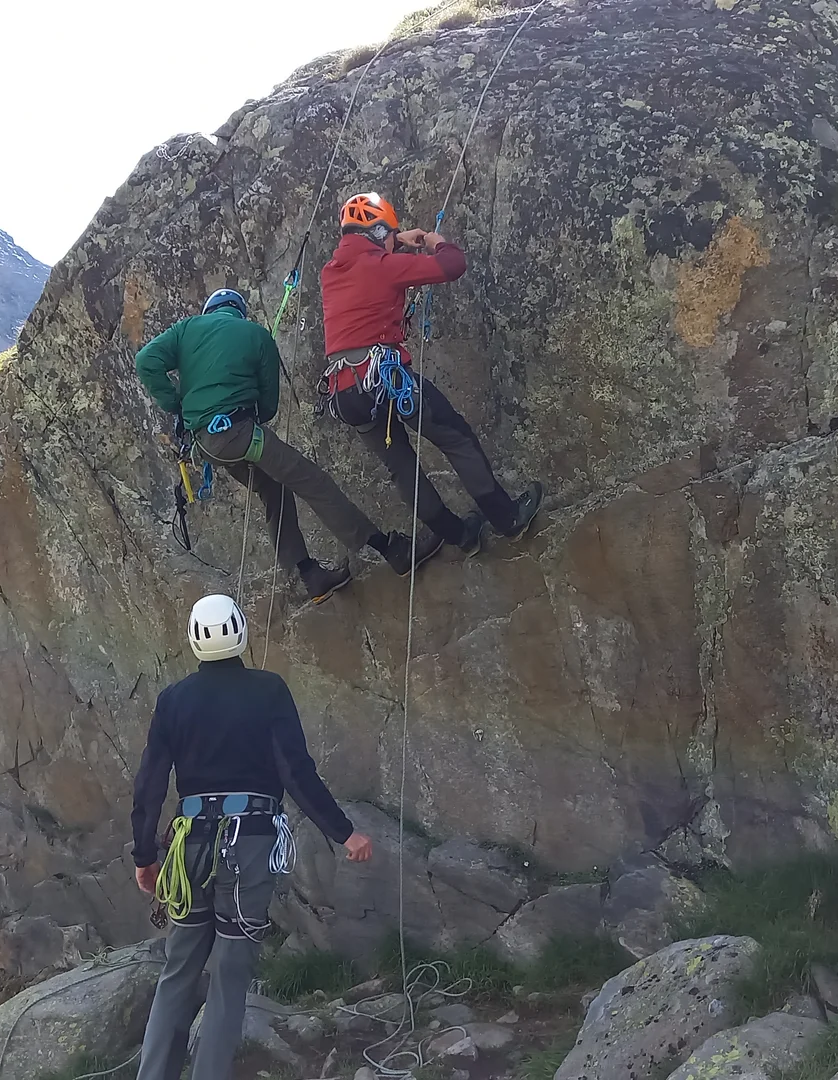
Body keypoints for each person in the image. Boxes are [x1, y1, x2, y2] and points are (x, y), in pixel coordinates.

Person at [130, 594, 373, 1080]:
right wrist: (343, 833)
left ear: (194, 640)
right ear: (241, 631)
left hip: (189, 844)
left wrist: (144, 855)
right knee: (229, 973)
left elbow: (150, 783)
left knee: (178, 970)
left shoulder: (173, 699)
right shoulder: (268, 690)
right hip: (249, 842)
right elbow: (294, 771)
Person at [137, 288, 424, 603]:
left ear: (210, 310)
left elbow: (145, 360)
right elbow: (269, 407)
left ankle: (309, 575)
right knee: (312, 482)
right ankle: (389, 549)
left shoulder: (186, 329)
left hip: (205, 445)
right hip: (241, 433)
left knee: (274, 488)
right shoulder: (257, 335)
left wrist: (176, 403)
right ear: (239, 311)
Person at [319, 192, 544, 556]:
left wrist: (395, 241)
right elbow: (452, 264)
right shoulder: (383, 266)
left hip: (344, 393)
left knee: (402, 468)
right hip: (385, 379)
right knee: (455, 438)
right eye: (389, 234)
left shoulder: (330, 272)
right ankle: (508, 519)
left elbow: (370, 263)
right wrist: (434, 242)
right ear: (378, 233)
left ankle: (460, 536)